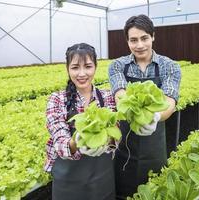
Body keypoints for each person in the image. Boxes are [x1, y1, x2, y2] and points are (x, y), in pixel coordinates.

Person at [108, 14, 181, 199]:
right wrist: (137, 112)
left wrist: (155, 117)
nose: (139, 45)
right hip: (125, 146)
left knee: (154, 191)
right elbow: (120, 95)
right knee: (124, 193)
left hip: (155, 144)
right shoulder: (117, 66)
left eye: (144, 38)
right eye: (133, 40)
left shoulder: (169, 66)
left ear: (153, 36)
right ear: (127, 41)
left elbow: (169, 101)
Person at [44, 43, 117, 200]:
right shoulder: (57, 99)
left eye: (88, 66)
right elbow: (59, 140)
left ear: (95, 67)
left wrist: (107, 141)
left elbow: (115, 133)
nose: (82, 73)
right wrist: (77, 141)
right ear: (68, 69)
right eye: (75, 67)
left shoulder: (107, 97)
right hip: (68, 184)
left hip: (102, 181)